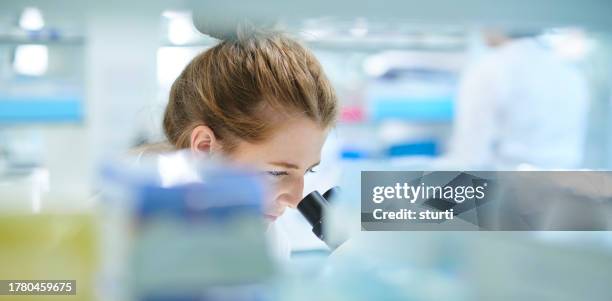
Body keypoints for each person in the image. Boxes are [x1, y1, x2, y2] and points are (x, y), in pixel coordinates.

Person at [157, 28, 337, 232]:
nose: (295, 200)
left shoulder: (262, 235)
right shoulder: (139, 239)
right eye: (276, 172)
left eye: (308, 170)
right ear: (205, 148)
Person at [446, 30, 589, 169]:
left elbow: (470, 155)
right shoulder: (568, 71)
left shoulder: (490, 67)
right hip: (565, 184)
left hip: (508, 185)